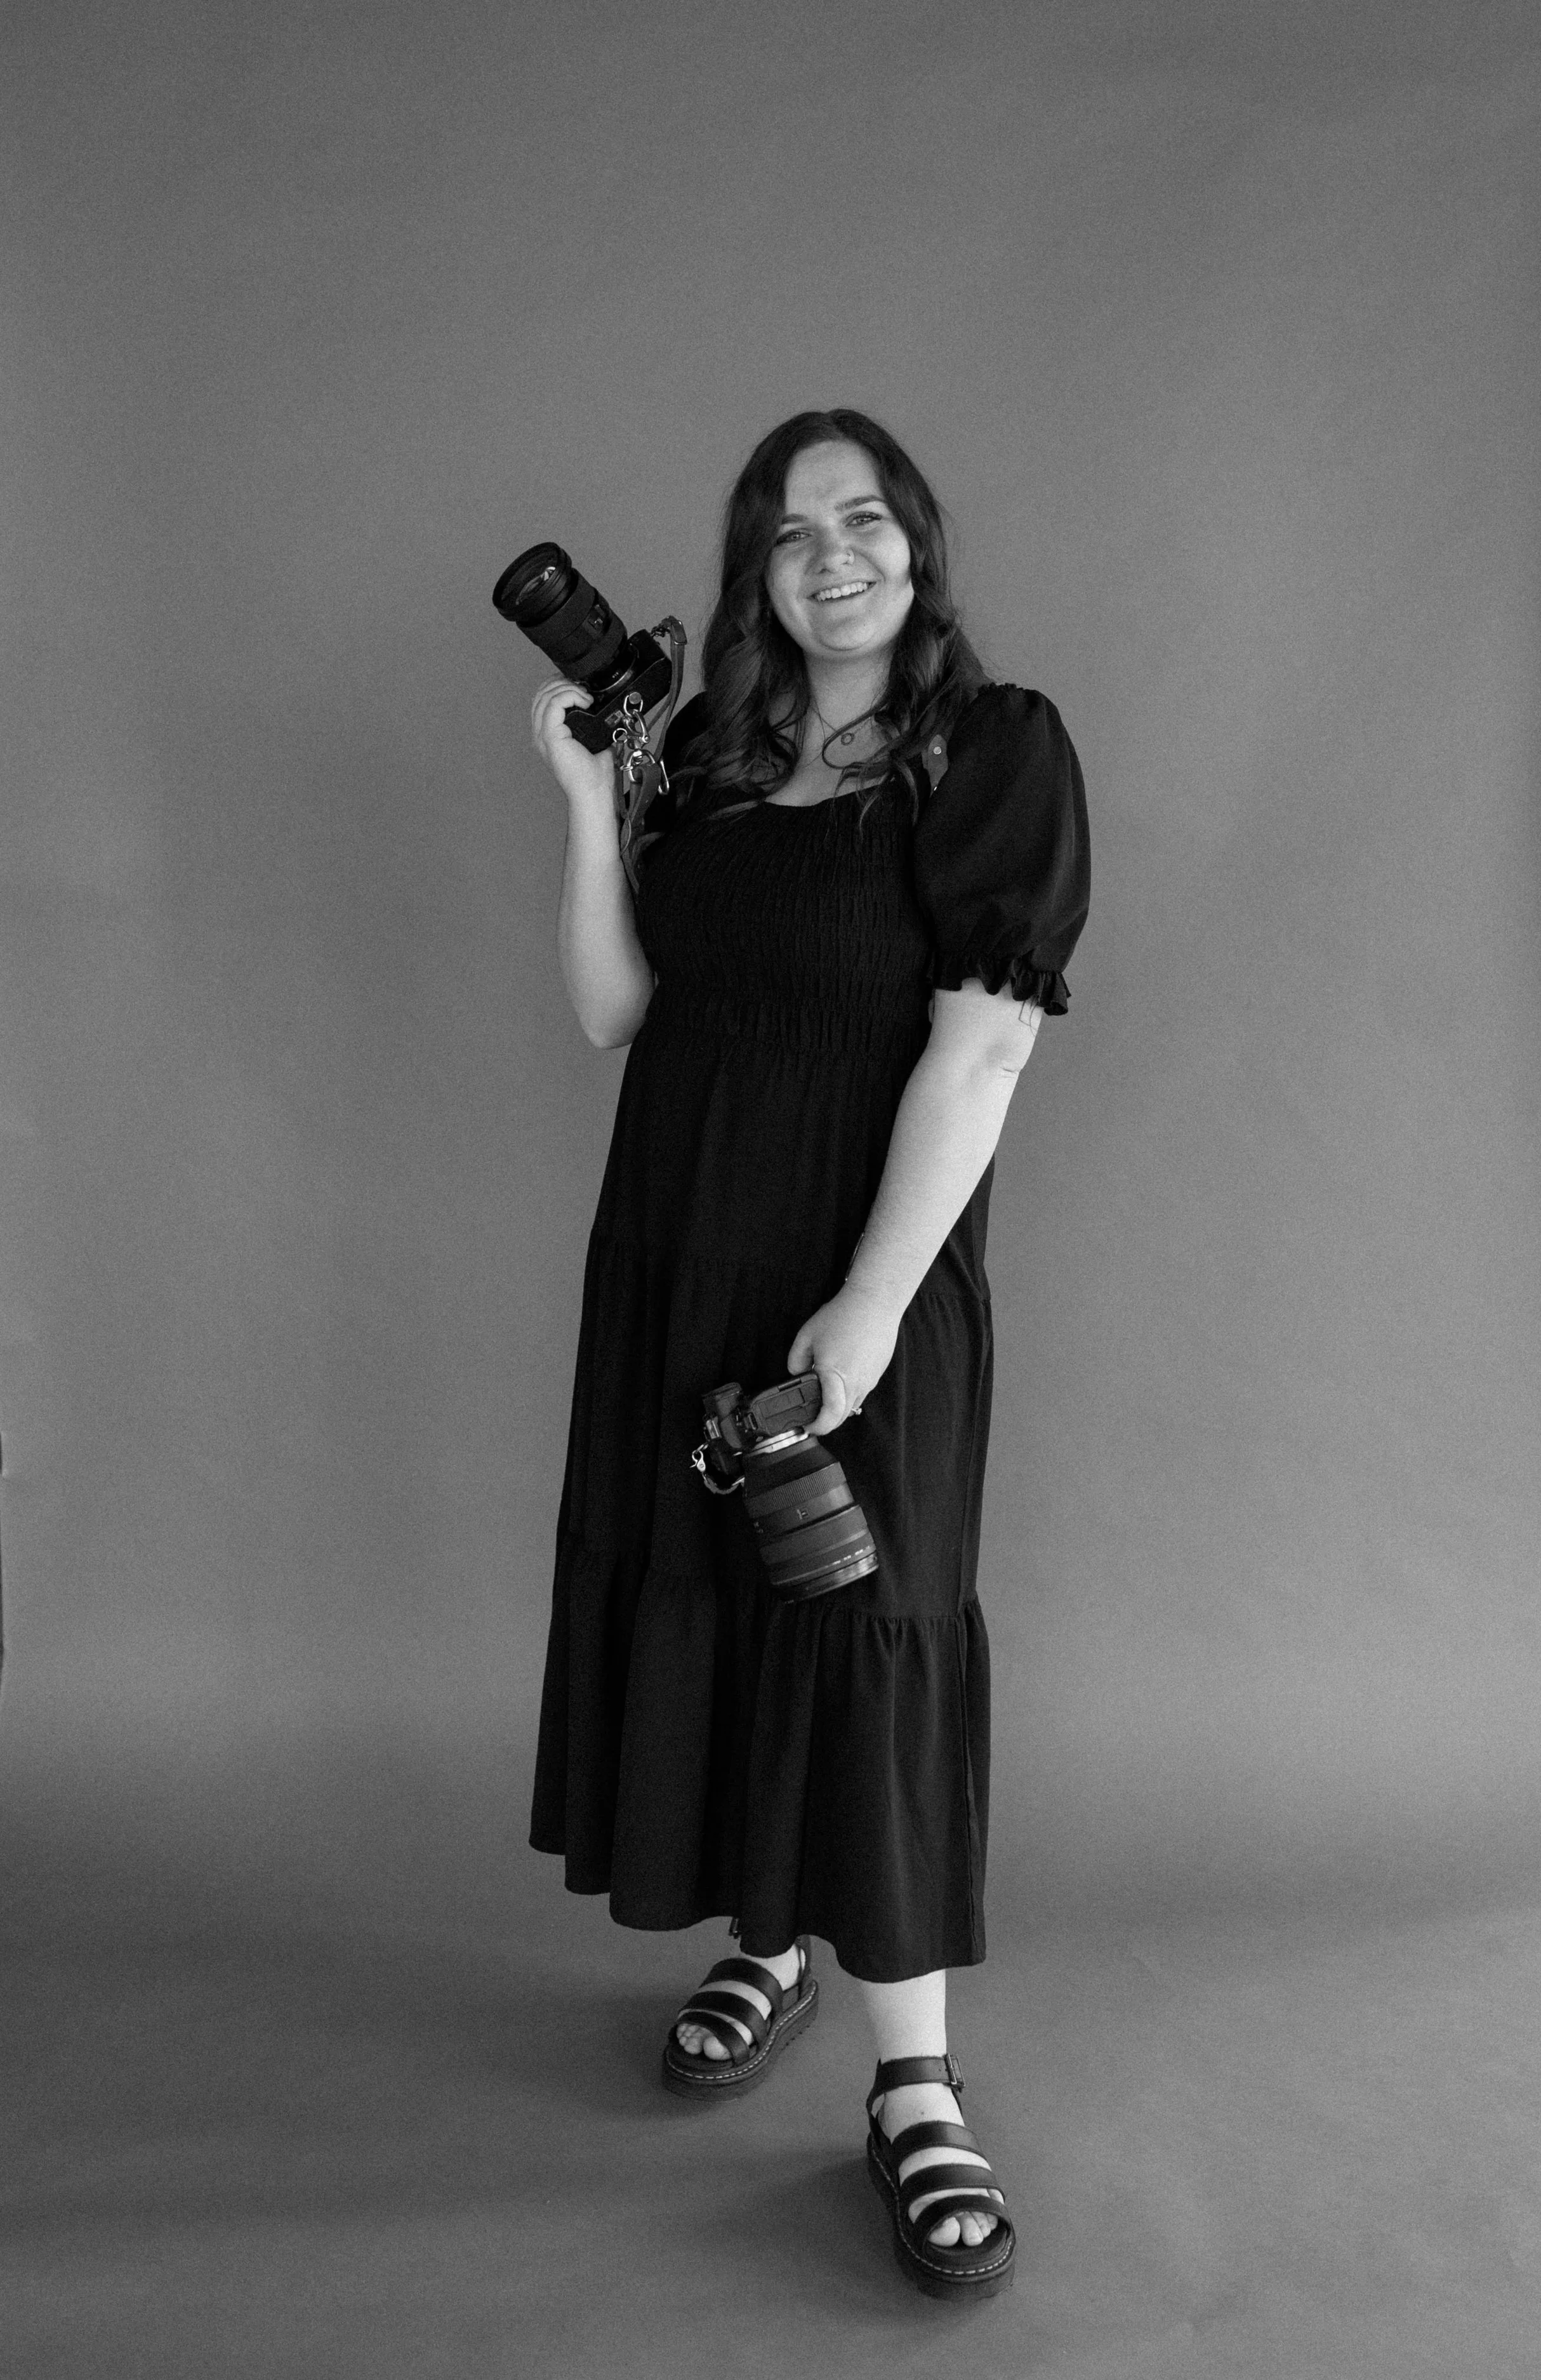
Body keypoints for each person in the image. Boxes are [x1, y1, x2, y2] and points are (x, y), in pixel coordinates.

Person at [528, 408, 1089, 2301]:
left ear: (915, 544)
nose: (826, 554)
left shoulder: (993, 753)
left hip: (864, 1272)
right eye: (785, 533)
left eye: (859, 520)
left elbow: (982, 1048)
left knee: (863, 1618)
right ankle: (769, 1939)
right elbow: (617, 1008)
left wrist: (865, 1303)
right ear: (753, 576)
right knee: (721, 1590)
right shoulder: (712, 753)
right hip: (679, 1256)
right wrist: (588, 803)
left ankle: (912, 2087)